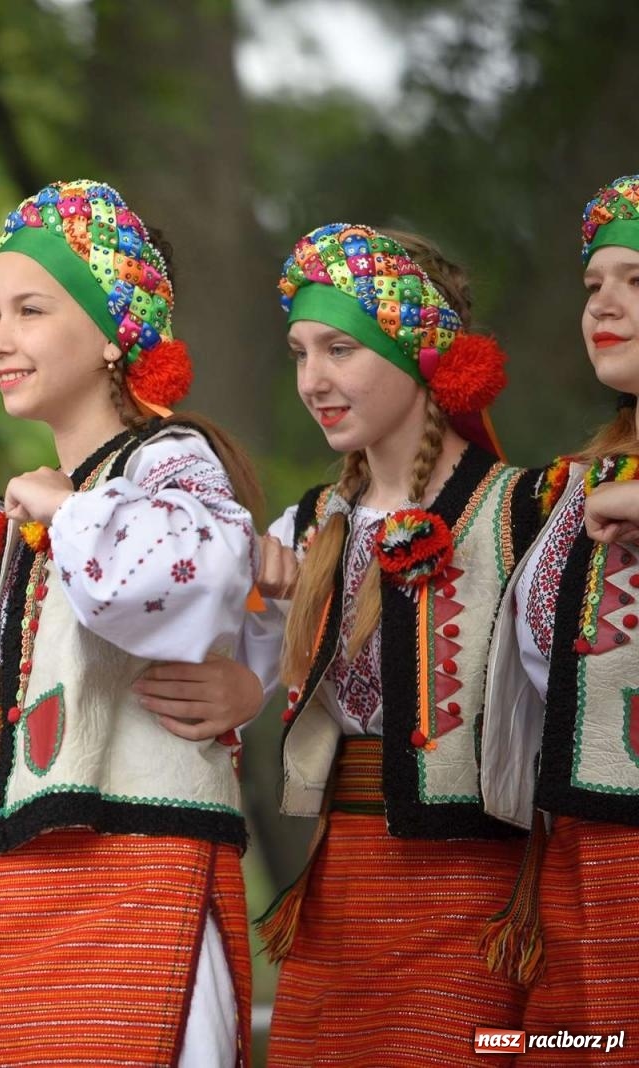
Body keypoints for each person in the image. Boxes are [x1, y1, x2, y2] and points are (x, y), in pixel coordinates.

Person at [0, 179, 263, 1067]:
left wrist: (68, 509)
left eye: (30, 310)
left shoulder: (169, 457)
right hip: (30, 874)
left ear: (114, 333)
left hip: (138, 862)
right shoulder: (56, 499)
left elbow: (201, 576)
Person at [241, 222, 543, 1064]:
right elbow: (233, 685)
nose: (313, 380)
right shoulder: (306, 526)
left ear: (420, 350)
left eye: (339, 349)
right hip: (336, 891)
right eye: (300, 353)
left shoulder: (524, 513)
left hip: (474, 898)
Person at [480, 174, 639, 1058]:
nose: (603, 303)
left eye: (636, 279)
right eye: (593, 283)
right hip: (576, 864)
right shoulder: (573, 484)